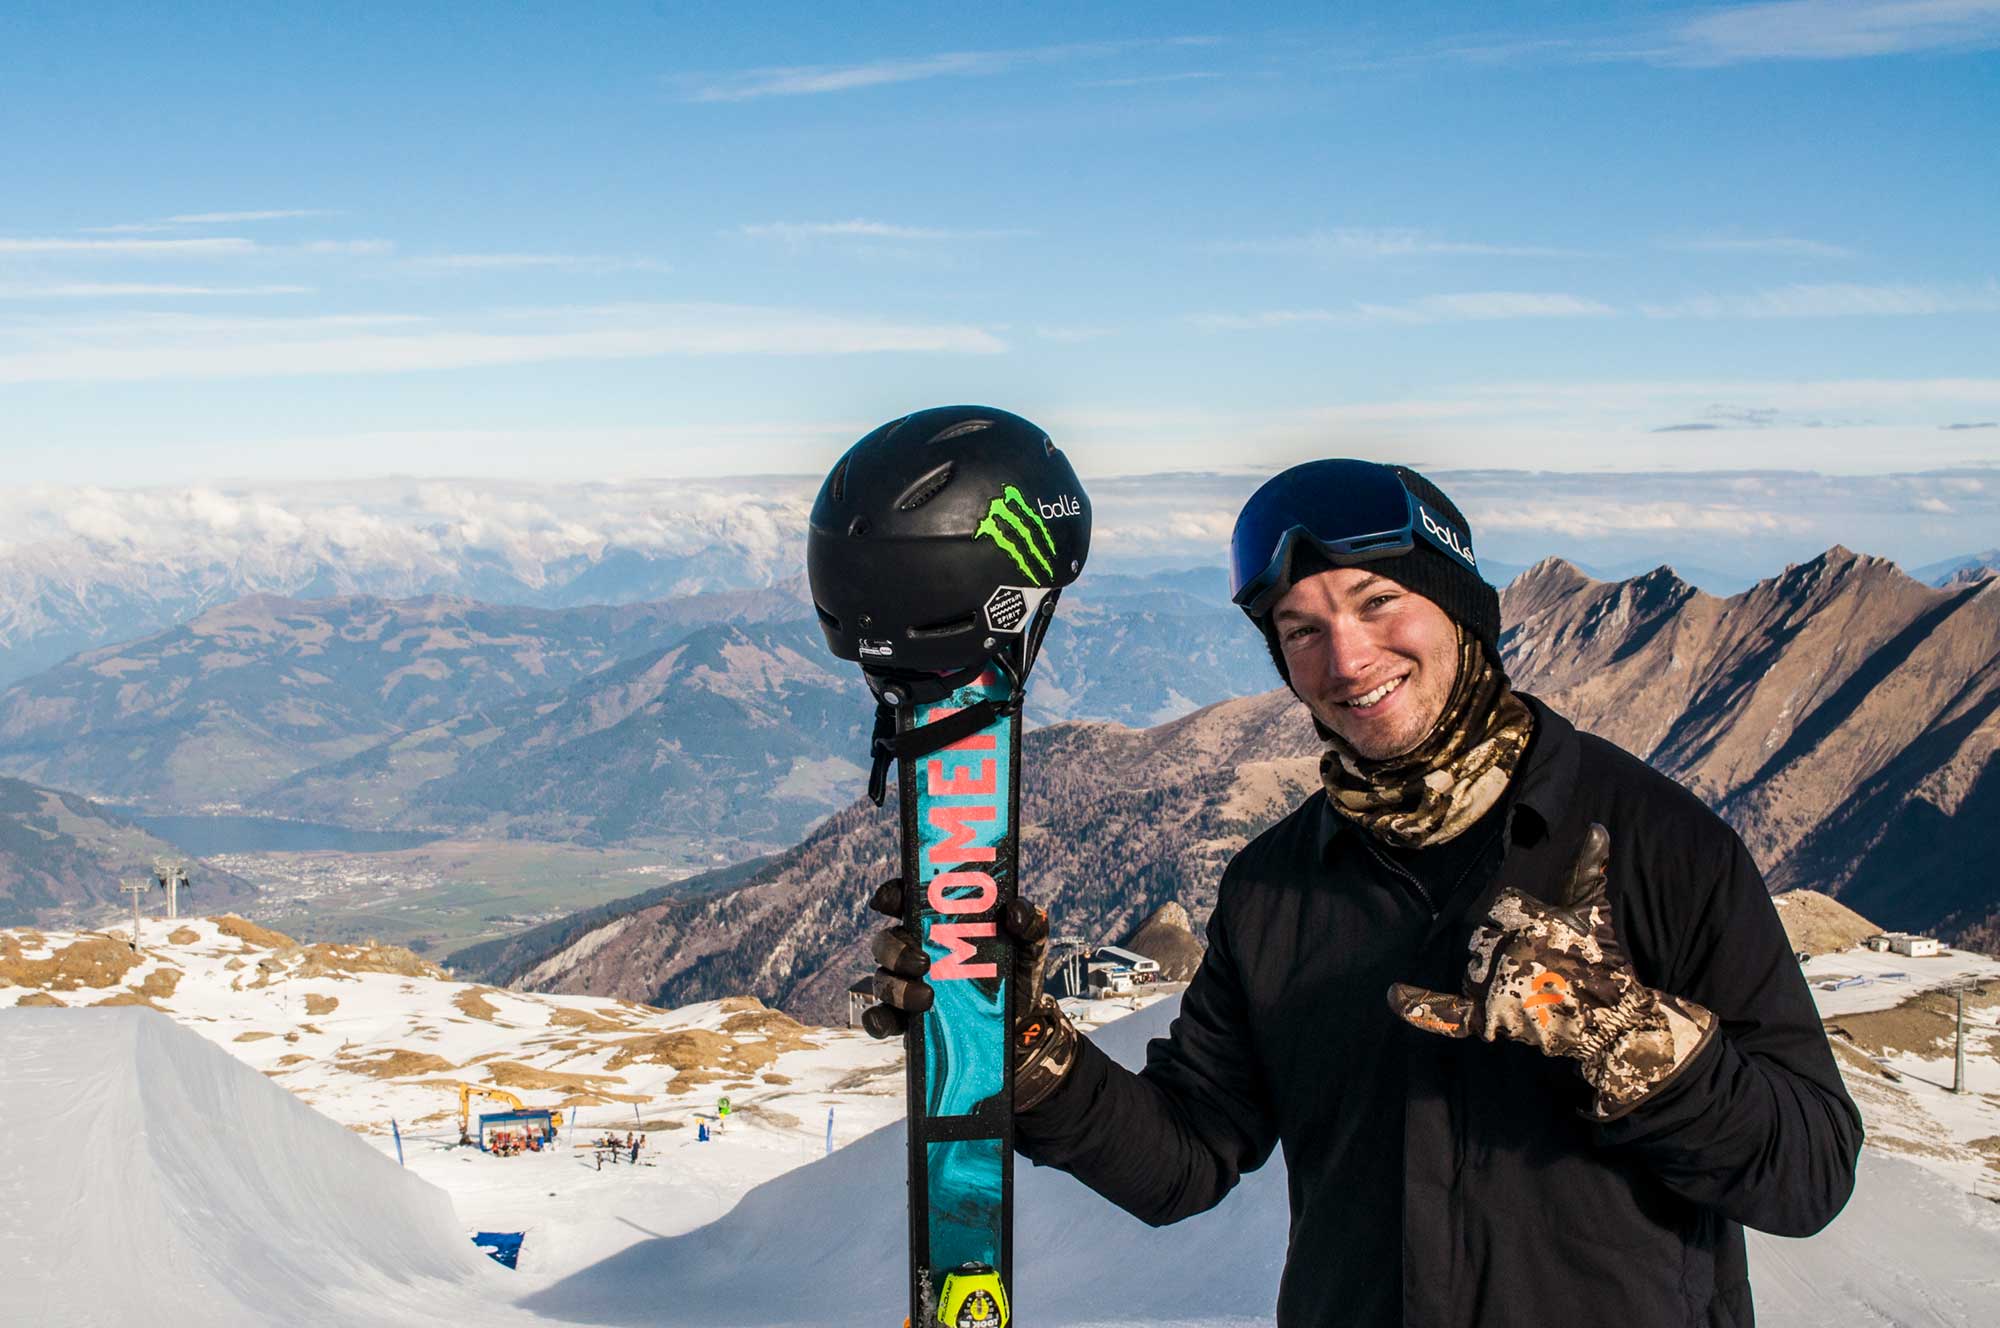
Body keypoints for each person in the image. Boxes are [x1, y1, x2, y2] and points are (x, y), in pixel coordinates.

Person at [865, 459, 1862, 1327]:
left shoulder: (1657, 845)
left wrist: (1628, 1038)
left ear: (1459, 607)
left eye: (1378, 602)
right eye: (1300, 629)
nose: (1345, 660)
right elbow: (1184, 1159)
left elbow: (1809, 1171)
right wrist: (1018, 1047)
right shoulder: (1276, 889)